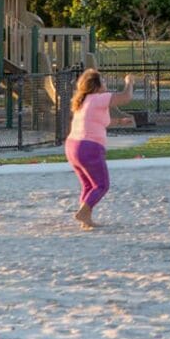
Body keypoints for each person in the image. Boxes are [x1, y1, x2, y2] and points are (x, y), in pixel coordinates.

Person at [64, 69, 135, 229]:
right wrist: (129, 82)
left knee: (89, 185)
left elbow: (100, 122)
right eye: (102, 81)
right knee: (102, 185)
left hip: (73, 146)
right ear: (95, 86)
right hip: (89, 147)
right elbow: (126, 97)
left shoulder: (83, 101)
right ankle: (83, 212)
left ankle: (86, 218)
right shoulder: (98, 98)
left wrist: (120, 122)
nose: (105, 84)